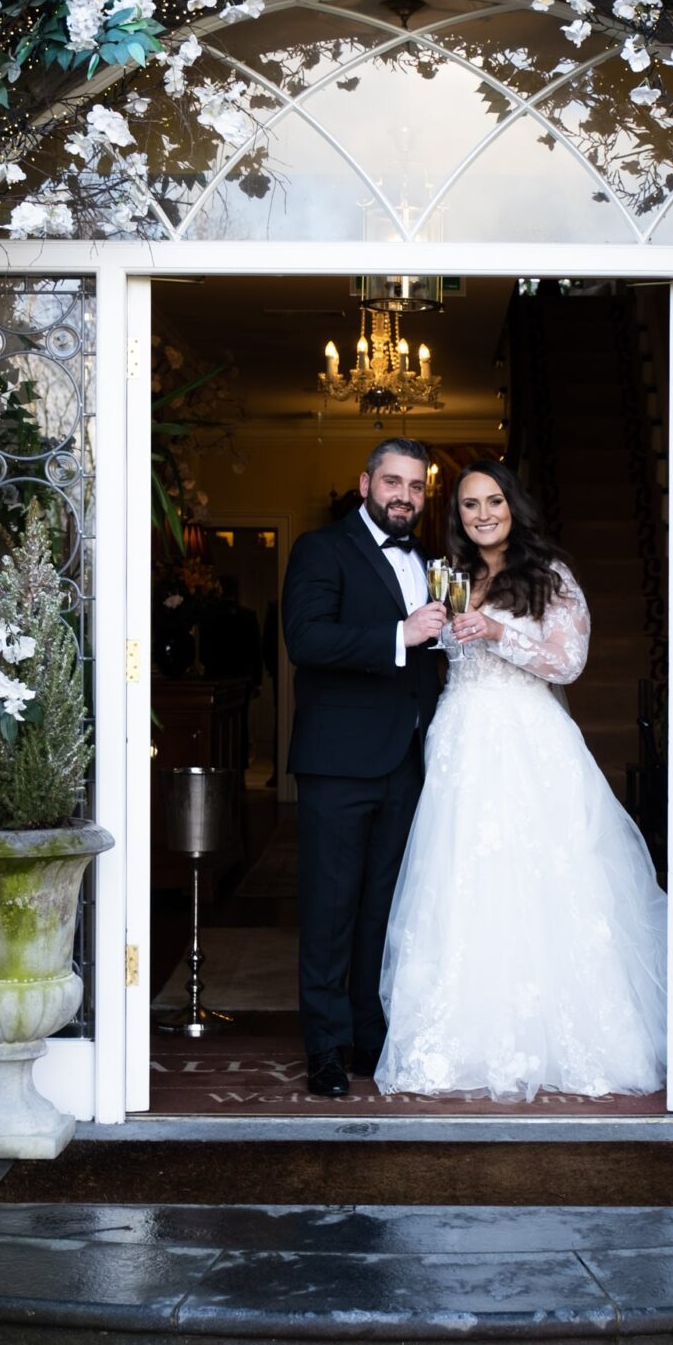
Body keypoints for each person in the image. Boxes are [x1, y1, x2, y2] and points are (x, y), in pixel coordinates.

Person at [376, 459, 668, 1102]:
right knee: (462, 882)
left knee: (543, 877)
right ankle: (463, 1040)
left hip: (527, 738)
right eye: (469, 505)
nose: (482, 514)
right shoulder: (449, 576)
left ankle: (561, 1038)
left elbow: (569, 662)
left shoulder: (548, 576)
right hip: (459, 739)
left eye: (493, 502)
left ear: (515, 508)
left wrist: (500, 631)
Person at [282, 438, 446, 1099]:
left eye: (415, 486)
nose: (404, 495)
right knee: (329, 909)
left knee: (384, 907)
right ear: (364, 483)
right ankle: (324, 1047)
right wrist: (397, 636)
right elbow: (306, 639)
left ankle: (368, 1039)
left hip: (408, 758)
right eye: (392, 482)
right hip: (338, 761)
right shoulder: (322, 550)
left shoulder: (431, 561)